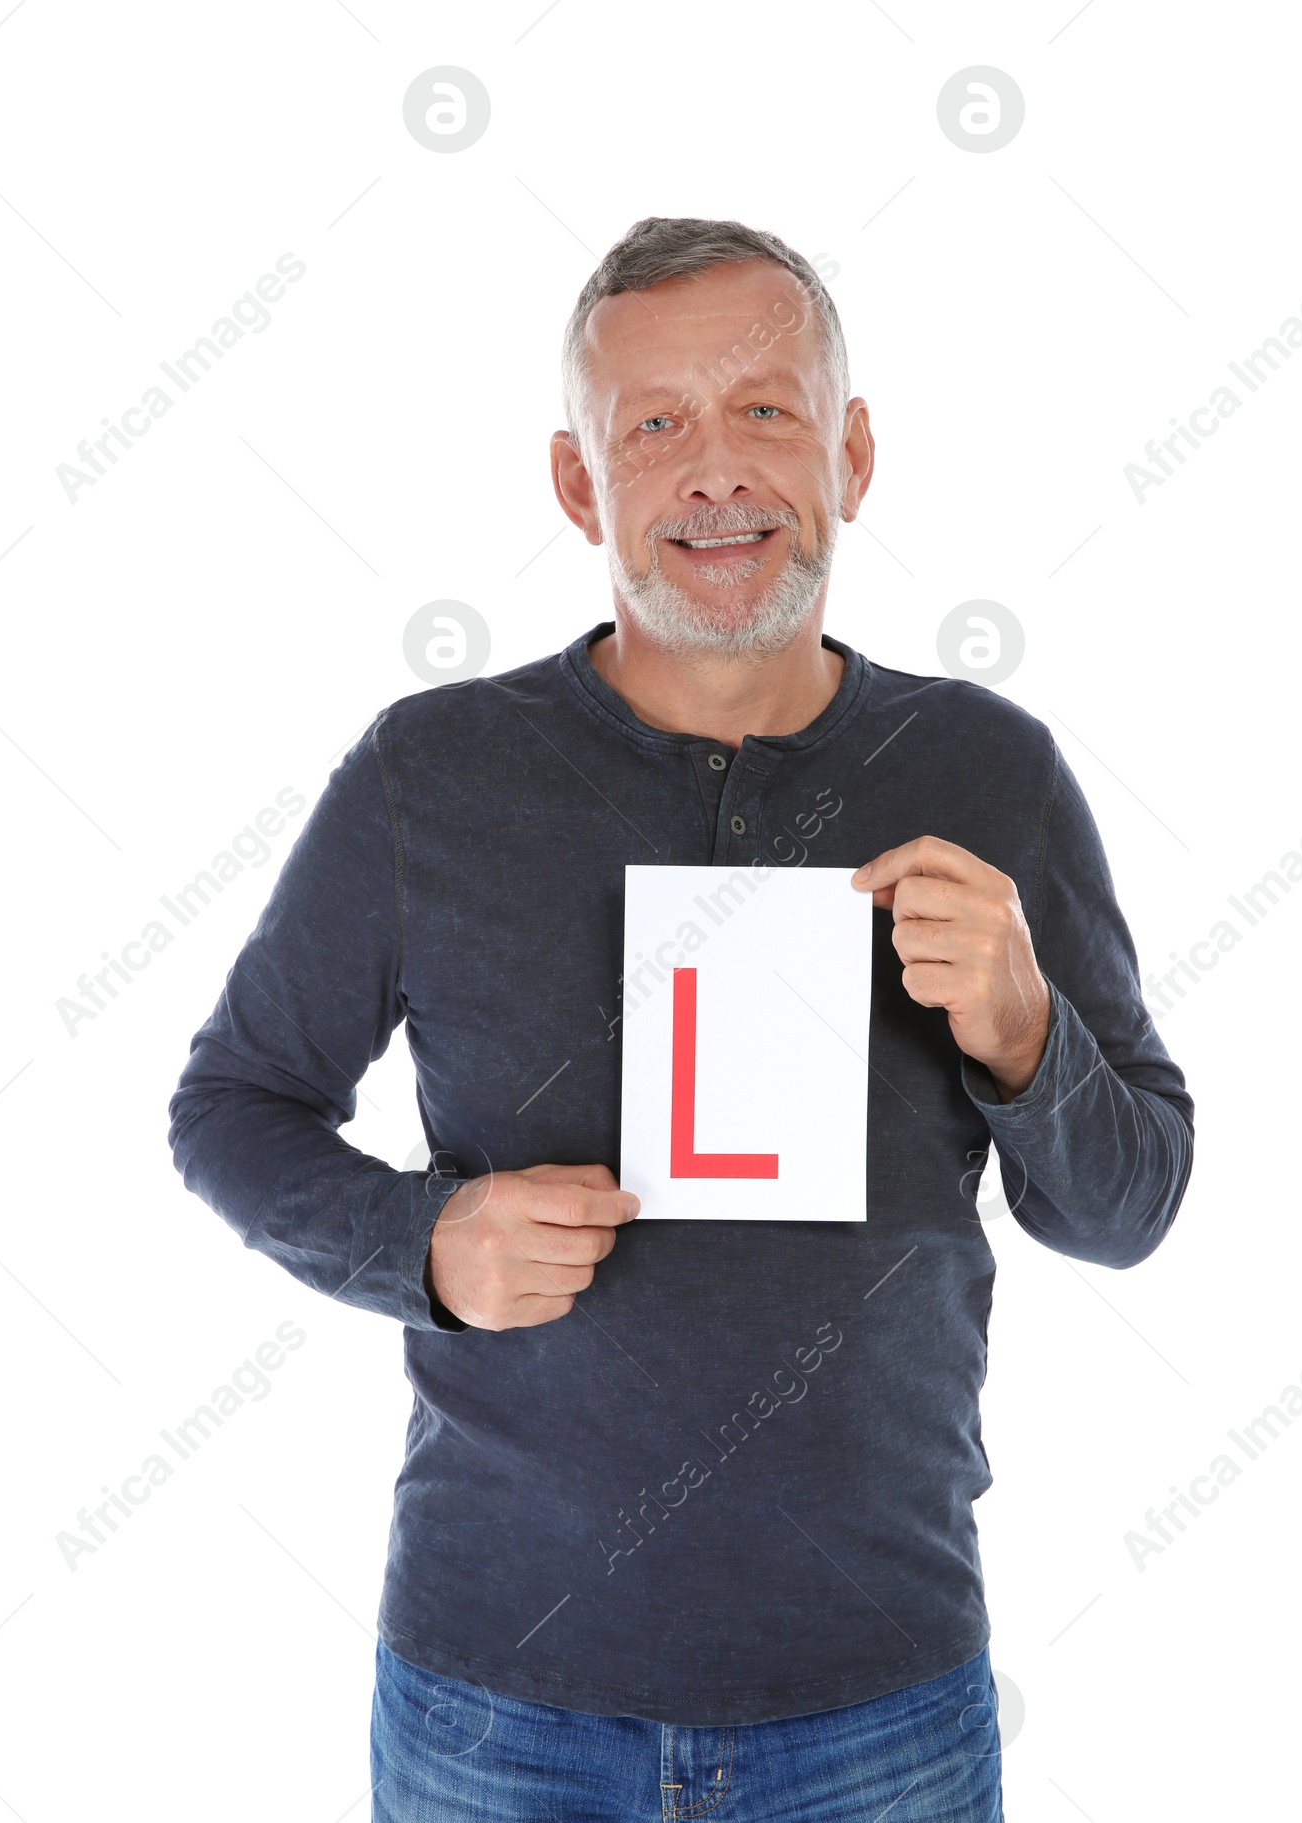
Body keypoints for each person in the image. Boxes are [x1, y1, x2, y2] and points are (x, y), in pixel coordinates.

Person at [168, 215, 1194, 1821]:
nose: (716, 473)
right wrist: (423, 1243)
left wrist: (1026, 1032)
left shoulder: (994, 772)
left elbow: (1129, 1210)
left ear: (852, 456)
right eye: (655, 427)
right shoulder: (428, 771)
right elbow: (232, 1105)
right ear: (582, 487)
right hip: (494, 1703)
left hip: (881, 1704)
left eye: (766, 412)